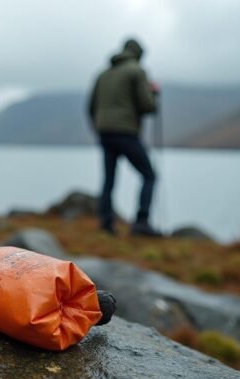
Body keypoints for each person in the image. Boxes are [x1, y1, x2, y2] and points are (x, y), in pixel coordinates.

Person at [88, 38, 161, 237]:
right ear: (138, 54)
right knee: (149, 175)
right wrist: (154, 93)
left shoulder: (103, 74)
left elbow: (91, 106)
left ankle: (106, 223)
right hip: (126, 131)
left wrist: (98, 127)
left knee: (109, 179)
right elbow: (147, 105)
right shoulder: (137, 71)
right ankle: (141, 222)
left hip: (105, 132)